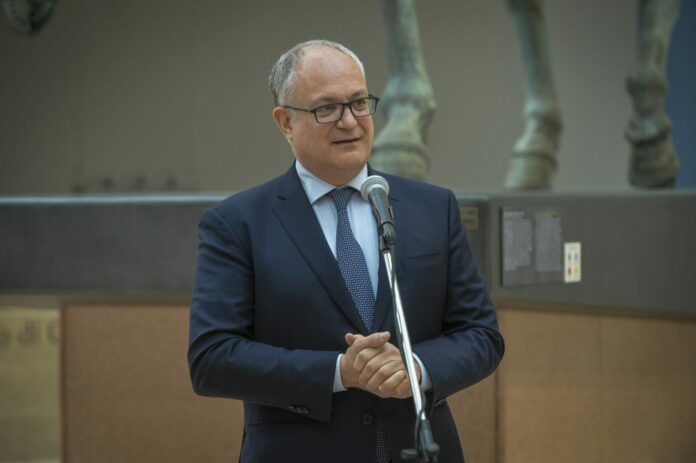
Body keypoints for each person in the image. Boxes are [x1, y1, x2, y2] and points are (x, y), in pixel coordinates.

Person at [188, 39, 504, 463]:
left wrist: (415, 367)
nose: (350, 121)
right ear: (285, 121)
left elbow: (481, 334)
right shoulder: (237, 223)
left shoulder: (433, 208)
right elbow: (211, 359)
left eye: (358, 102)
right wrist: (339, 372)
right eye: (327, 108)